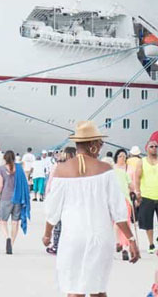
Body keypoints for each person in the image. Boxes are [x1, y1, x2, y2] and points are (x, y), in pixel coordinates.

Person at [43, 121, 140, 296]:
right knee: (98, 290)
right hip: (100, 238)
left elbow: (52, 209)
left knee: (74, 290)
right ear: (92, 145)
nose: (101, 146)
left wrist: (47, 234)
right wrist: (131, 239)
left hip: (72, 238)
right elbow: (118, 211)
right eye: (100, 143)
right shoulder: (105, 170)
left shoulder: (61, 170)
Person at [0, 150, 30, 254]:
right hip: (18, 198)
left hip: (5, 198)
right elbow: (25, 183)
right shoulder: (19, 168)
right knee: (15, 222)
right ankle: (11, 244)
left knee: (3, 221)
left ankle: (7, 237)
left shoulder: (1, 169)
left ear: (4, 158)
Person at [135, 132, 158, 254]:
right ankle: (151, 244)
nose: (154, 148)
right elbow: (137, 177)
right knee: (148, 222)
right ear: (147, 149)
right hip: (147, 196)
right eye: (152, 147)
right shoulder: (142, 162)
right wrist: (137, 192)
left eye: (156, 146)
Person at [113, 148, 137, 260]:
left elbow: (133, 184)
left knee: (125, 223)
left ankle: (124, 247)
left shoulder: (129, 169)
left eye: (124, 156)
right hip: (113, 199)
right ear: (116, 157)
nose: (122, 158)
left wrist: (135, 194)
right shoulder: (112, 169)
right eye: (120, 156)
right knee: (116, 223)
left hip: (125, 199)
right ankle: (118, 243)